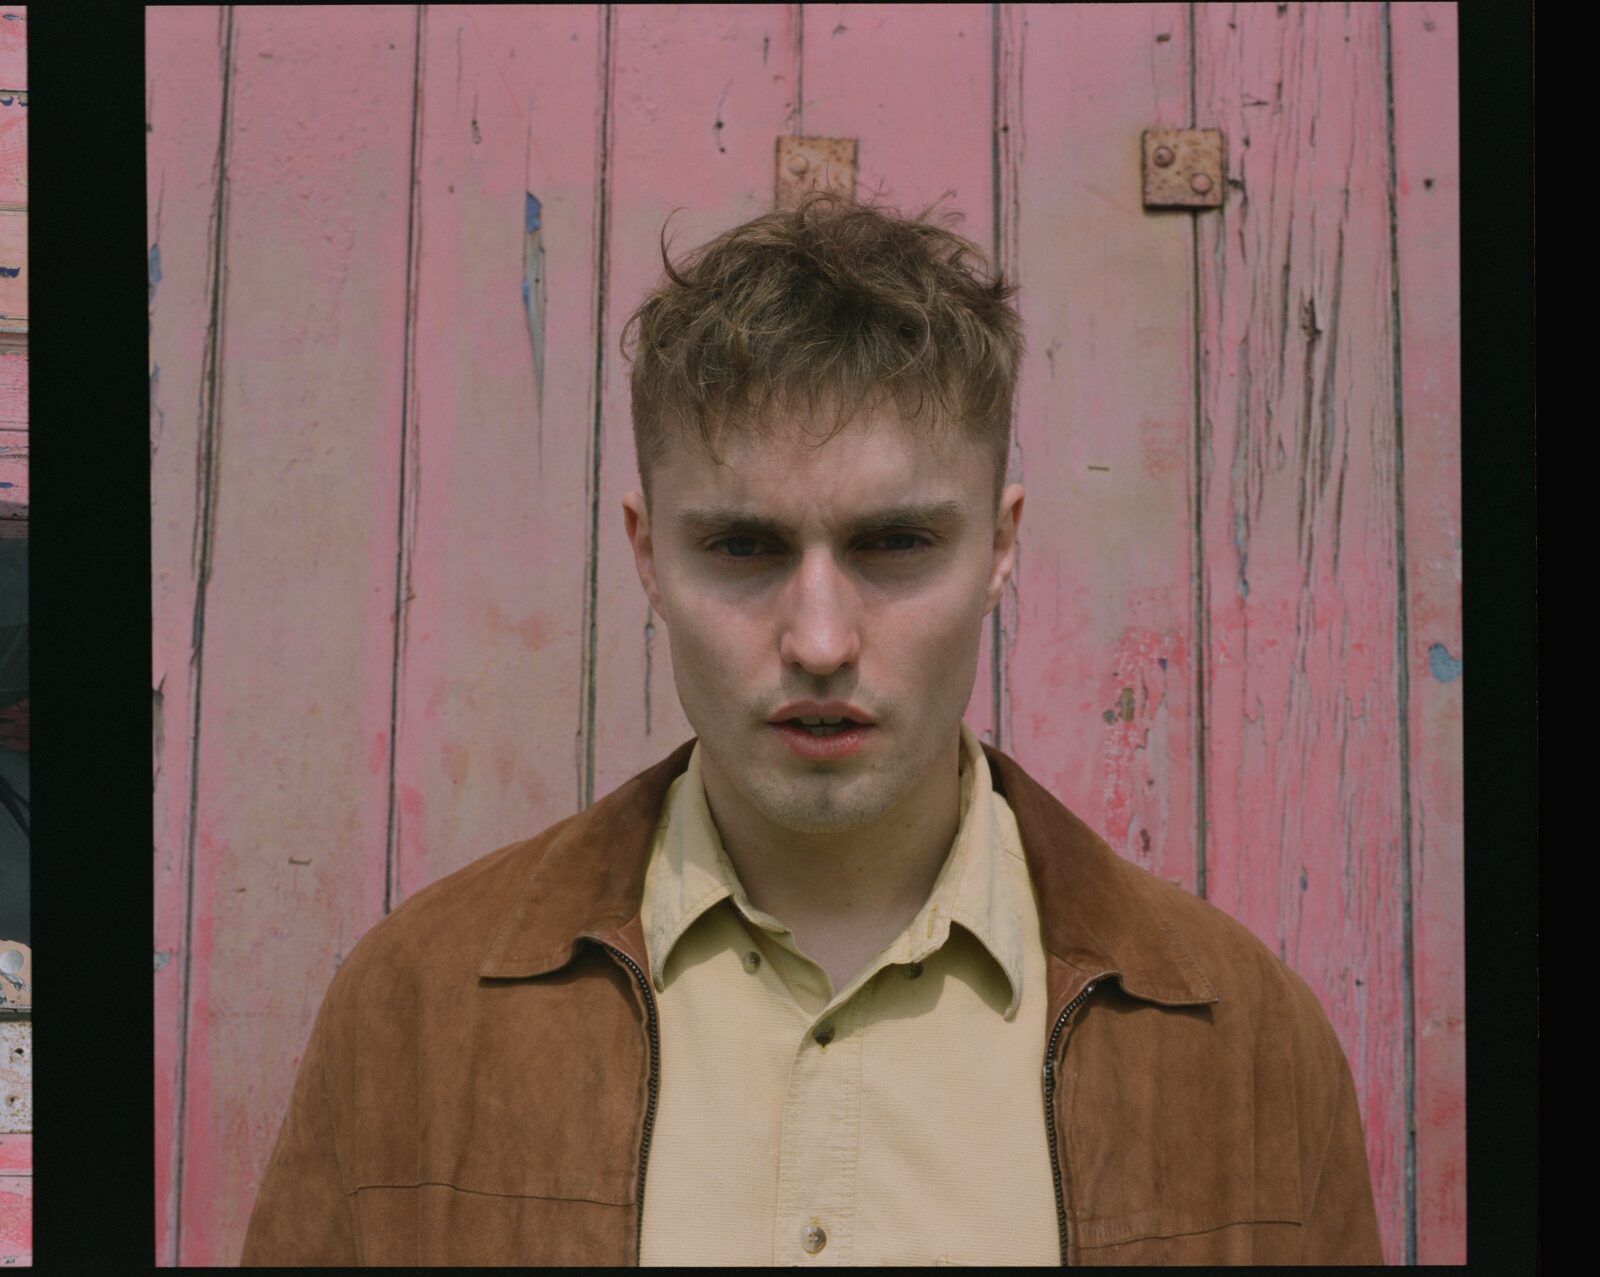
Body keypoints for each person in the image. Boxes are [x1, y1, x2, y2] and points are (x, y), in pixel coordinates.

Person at [241, 192, 1382, 1266]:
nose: (821, 638)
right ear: (648, 553)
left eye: (895, 544)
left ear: (999, 547)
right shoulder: (414, 1009)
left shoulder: (1247, 1046)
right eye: (743, 547)